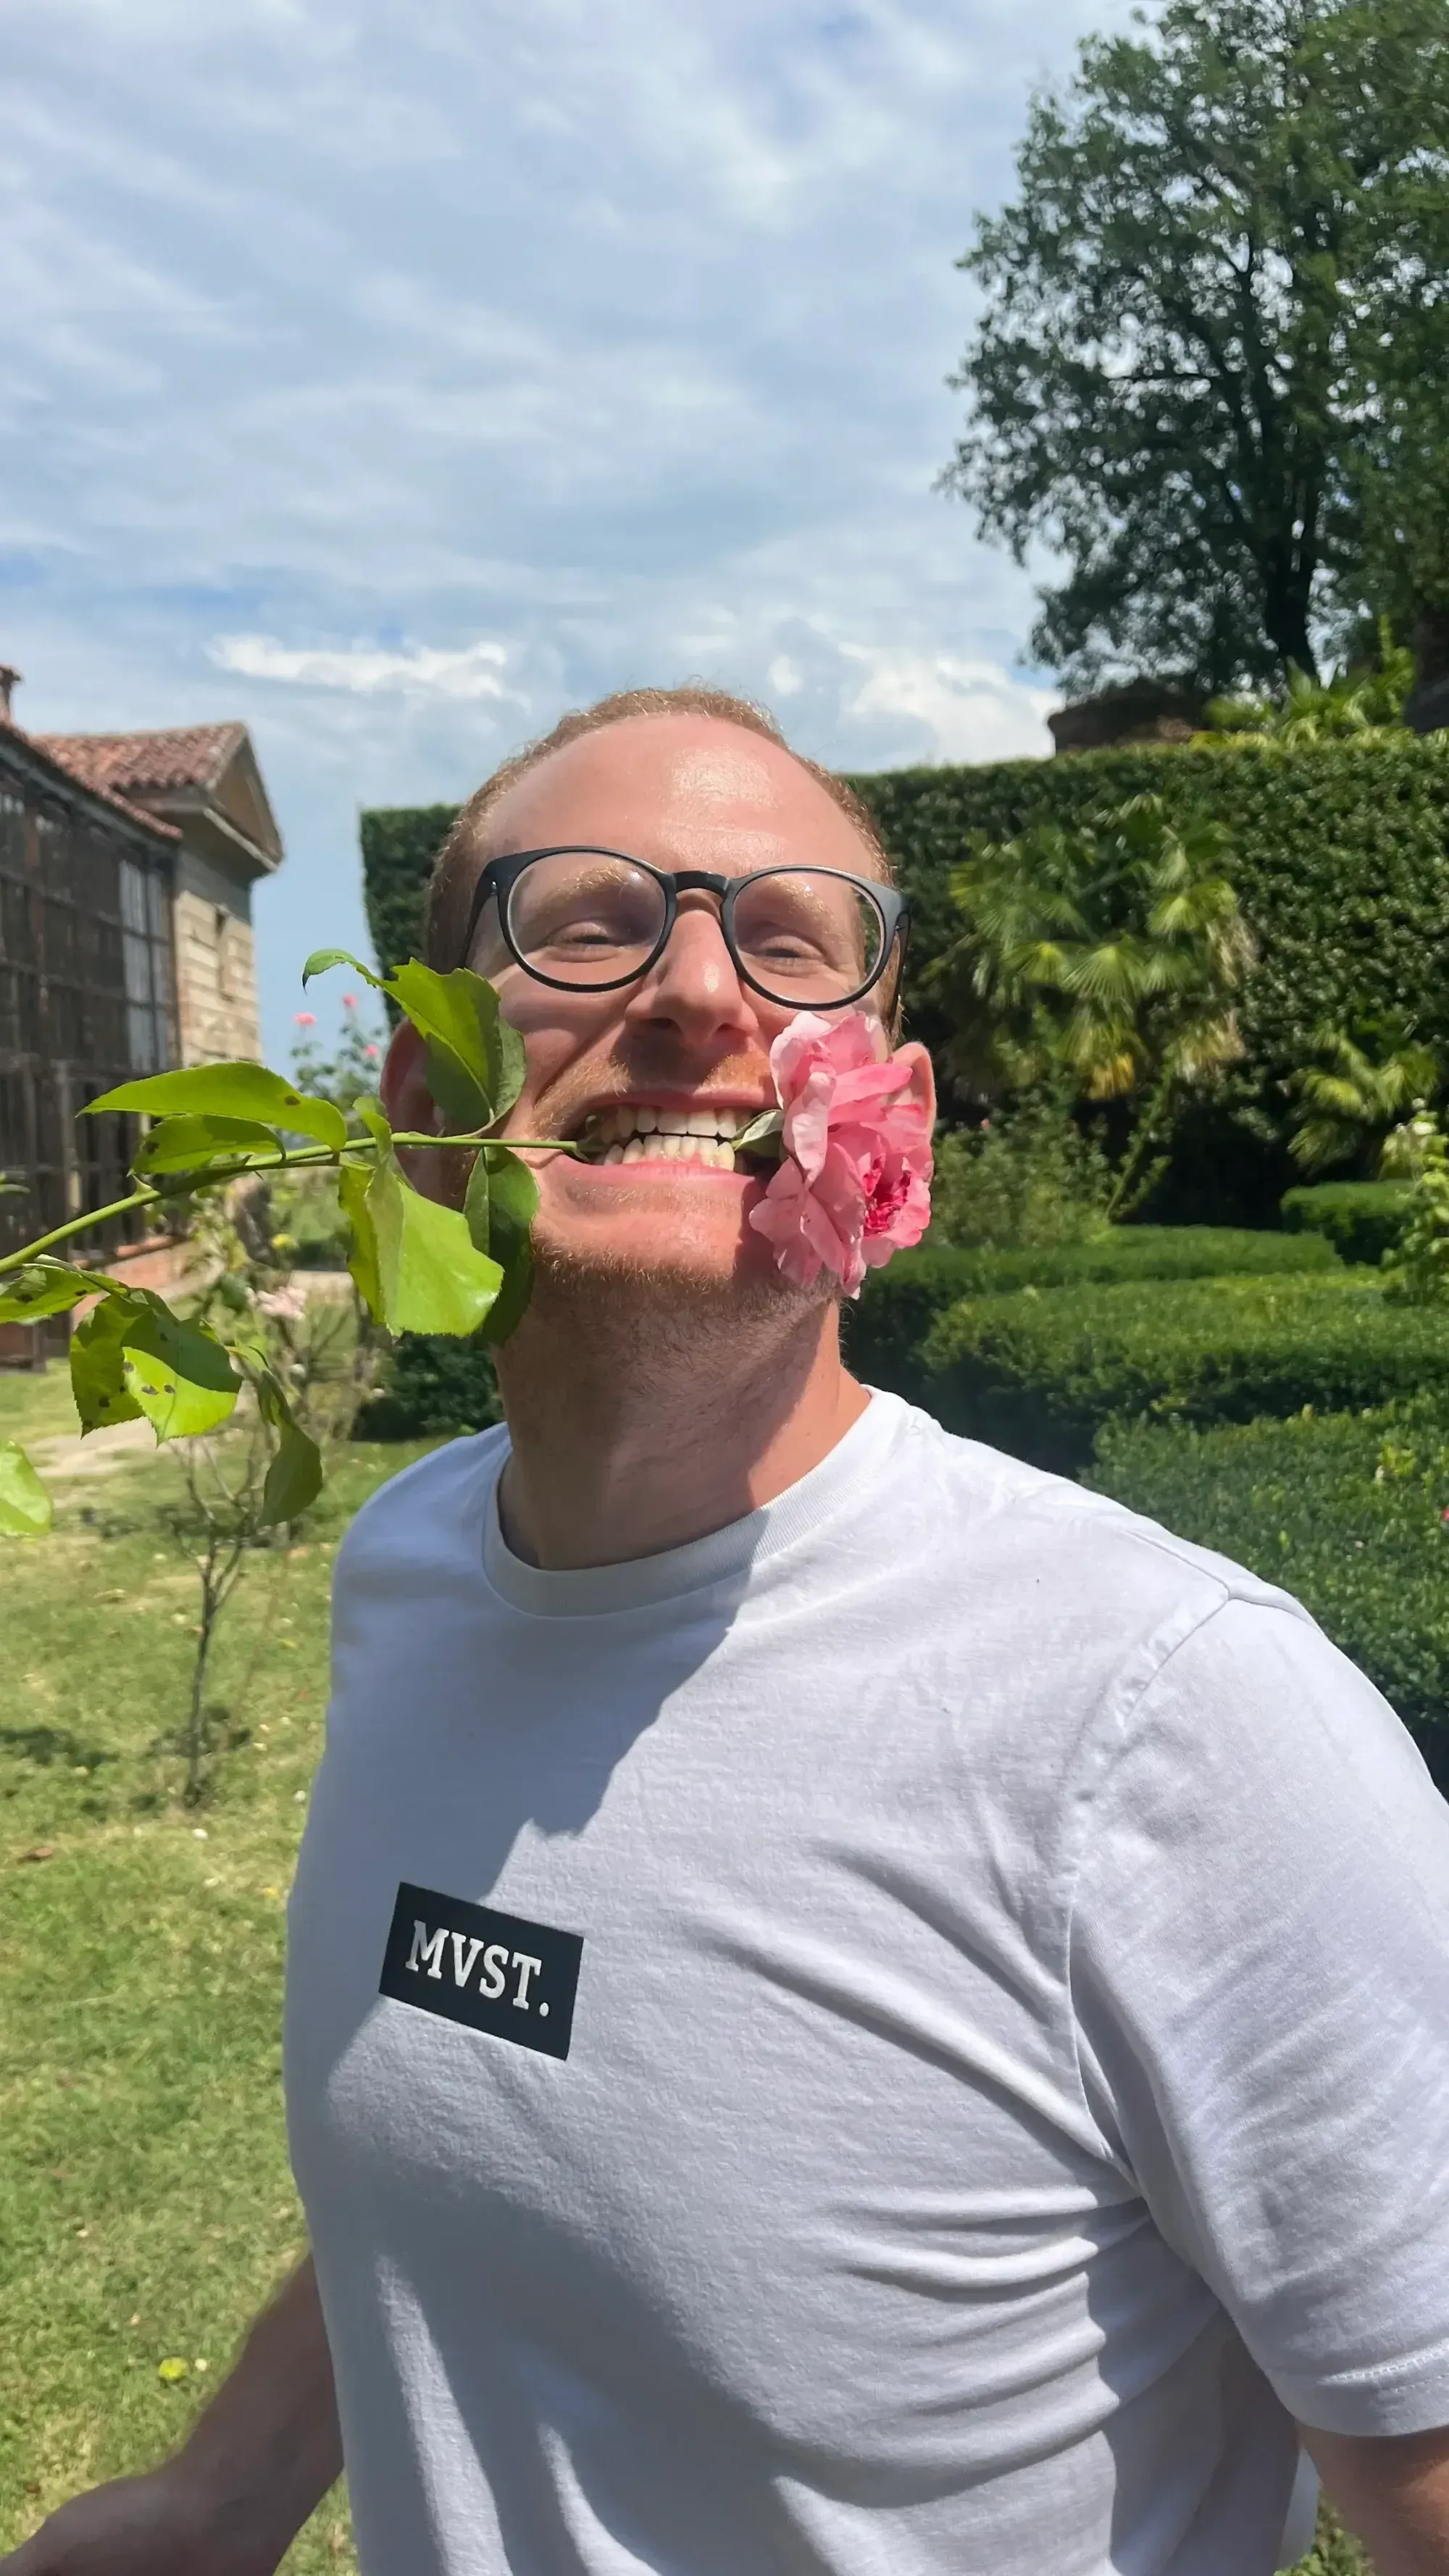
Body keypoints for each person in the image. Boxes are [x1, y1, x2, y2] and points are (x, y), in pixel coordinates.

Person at [9, 685, 1449, 2576]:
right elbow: (491, 2142)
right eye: (585, 918)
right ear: (424, 1114)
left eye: (790, 938)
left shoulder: (1174, 1716)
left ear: (895, 1124)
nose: (698, 988)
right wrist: (224, 2494)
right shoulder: (411, 1568)